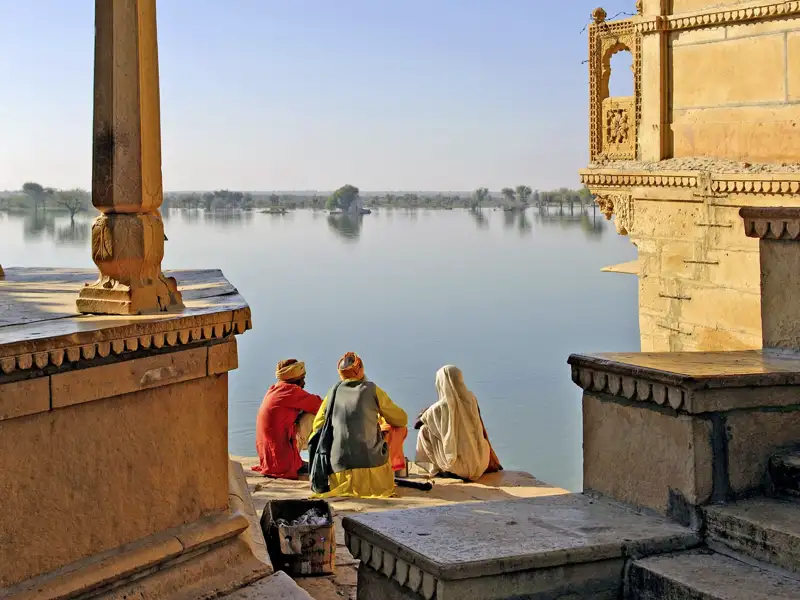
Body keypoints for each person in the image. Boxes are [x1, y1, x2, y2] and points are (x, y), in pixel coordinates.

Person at [308, 352, 408, 498]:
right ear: (360, 369)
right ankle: (396, 468)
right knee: (399, 429)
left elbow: (317, 426)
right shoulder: (372, 389)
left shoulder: (333, 392)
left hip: (339, 467)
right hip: (372, 467)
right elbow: (401, 419)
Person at [414, 365, 503, 481]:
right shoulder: (471, 399)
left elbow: (417, 424)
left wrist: (426, 413)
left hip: (459, 468)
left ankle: (435, 468)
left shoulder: (439, 408)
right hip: (481, 463)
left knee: (424, 431)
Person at [252, 359, 323, 480]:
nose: (304, 383)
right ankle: (320, 461)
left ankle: (299, 460)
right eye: (303, 378)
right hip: (282, 463)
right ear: (296, 380)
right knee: (317, 415)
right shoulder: (291, 391)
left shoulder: (274, 389)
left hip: (268, 460)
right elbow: (321, 405)